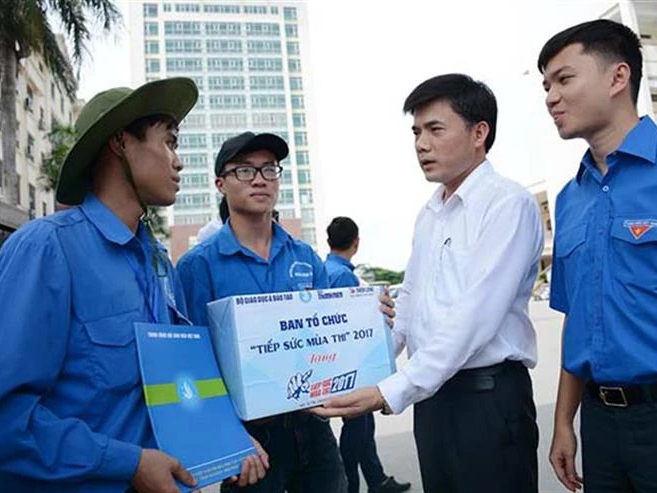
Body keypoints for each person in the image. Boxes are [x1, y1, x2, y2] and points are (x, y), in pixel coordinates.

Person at [0, 78, 266, 492]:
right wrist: (129, 462)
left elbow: (179, 381)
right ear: (120, 142)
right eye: (169, 143)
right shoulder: (47, 250)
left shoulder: (158, 262)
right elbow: (6, 419)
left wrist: (227, 438)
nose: (178, 162)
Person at [314, 74, 544, 493]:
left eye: (435, 129)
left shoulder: (508, 205)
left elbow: (473, 317)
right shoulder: (430, 214)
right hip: (433, 399)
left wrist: (389, 391)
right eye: (416, 132)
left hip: (487, 400)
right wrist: (364, 367)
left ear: (479, 133)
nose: (421, 144)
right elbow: (411, 304)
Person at [538, 19, 657, 493]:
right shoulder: (571, 198)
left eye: (564, 79)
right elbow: (577, 316)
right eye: (545, 85)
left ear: (617, 77)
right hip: (602, 426)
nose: (549, 97)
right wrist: (565, 420)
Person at [177, 132, 395, 493]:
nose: (260, 179)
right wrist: (229, 438)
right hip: (250, 442)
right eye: (245, 170)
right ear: (220, 183)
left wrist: (374, 317)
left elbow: (338, 331)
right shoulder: (198, 266)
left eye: (269, 169)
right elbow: (191, 367)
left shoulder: (304, 256)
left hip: (314, 428)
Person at [324, 217, 411, 493]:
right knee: (357, 428)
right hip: (352, 364)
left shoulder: (323, 269)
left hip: (332, 360)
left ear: (328, 241)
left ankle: (377, 480)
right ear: (356, 242)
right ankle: (352, 484)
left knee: (363, 427)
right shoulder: (345, 277)